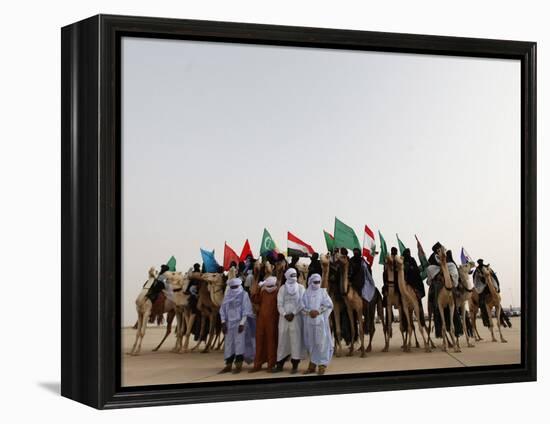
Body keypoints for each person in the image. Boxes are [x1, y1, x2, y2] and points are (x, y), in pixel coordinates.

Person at [219, 278, 256, 374]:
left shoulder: (244, 295)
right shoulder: (227, 295)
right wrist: (223, 322)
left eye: (236, 287)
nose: (234, 288)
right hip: (228, 324)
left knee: (239, 344)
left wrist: (242, 323)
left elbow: (246, 309)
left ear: (239, 286)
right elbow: (222, 310)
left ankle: (238, 365)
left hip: (240, 323)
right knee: (228, 344)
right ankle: (228, 365)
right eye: (232, 287)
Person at [274, 268, 306, 373]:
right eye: (291, 275)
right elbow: (279, 303)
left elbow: (302, 303)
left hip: (296, 319)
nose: (293, 277)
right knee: (282, 341)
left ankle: (295, 365)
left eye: (295, 275)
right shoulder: (282, 289)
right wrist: (284, 314)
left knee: (295, 341)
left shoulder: (301, 288)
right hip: (283, 319)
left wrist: (294, 313)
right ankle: (280, 365)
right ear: (287, 276)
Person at [301, 273, 334, 375]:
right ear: (311, 282)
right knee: (311, 343)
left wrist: (318, 311)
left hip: (320, 323)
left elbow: (329, 305)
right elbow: (301, 307)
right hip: (309, 322)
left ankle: (322, 365)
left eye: (319, 282)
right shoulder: (306, 293)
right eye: (315, 282)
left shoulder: (323, 292)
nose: (317, 284)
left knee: (321, 343)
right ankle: (313, 364)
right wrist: (309, 312)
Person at [250, 276, 279, 372]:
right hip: (261, 321)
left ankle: (271, 364)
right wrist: (258, 289)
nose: (270, 288)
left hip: (272, 321)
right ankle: (257, 364)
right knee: (259, 342)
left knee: (271, 343)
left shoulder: (277, 293)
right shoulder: (263, 292)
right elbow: (254, 299)